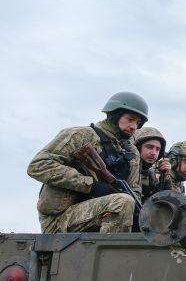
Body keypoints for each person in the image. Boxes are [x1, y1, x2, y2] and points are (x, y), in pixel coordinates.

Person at [27, 92, 147, 233]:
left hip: (101, 216)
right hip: (60, 221)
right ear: (114, 115)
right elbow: (38, 165)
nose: (133, 126)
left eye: (137, 123)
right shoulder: (81, 135)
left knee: (132, 207)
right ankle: (110, 254)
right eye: (130, 119)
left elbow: (134, 191)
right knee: (122, 202)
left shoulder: (131, 152)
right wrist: (90, 185)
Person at [134, 127, 171, 203]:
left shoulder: (151, 175)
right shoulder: (125, 168)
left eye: (157, 149)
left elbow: (159, 204)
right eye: (149, 147)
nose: (154, 153)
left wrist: (165, 177)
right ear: (137, 148)